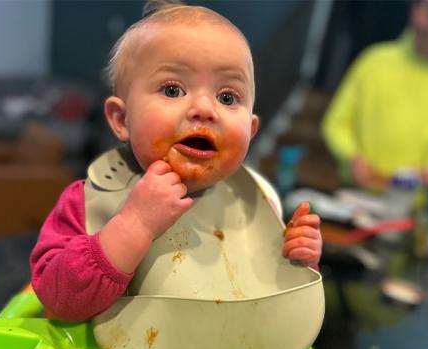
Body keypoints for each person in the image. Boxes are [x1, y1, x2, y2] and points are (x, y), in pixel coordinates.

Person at [31, 1, 322, 321]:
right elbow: (59, 301)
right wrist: (134, 225)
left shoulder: (257, 204)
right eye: (173, 90)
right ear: (122, 119)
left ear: (251, 131)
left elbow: (272, 311)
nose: (204, 109)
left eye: (227, 97)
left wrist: (297, 261)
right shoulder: (88, 202)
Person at [321, 0, 428, 191]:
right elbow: (336, 124)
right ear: (415, 4)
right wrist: (352, 157)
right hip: (350, 194)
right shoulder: (374, 61)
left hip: (408, 209)